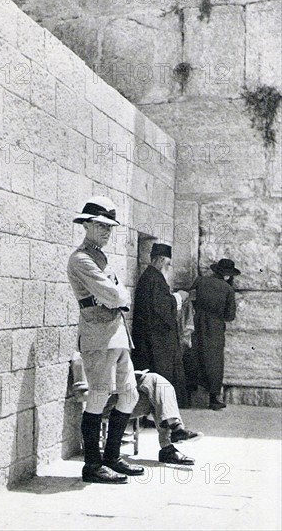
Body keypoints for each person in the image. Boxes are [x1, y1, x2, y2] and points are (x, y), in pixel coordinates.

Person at [67, 196, 144, 484]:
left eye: (109, 227)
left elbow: (117, 293)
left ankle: (112, 457)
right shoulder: (81, 259)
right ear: (86, 224)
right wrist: (116, 296)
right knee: (99, 395)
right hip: (98, 334)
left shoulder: (101, 257)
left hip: (117, 332)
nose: (106, 231)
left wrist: (116, 295)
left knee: (129, 395)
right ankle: (92, 465)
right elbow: (114, 295)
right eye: (100, 225)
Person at [73, 365, 203, 465]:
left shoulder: (113, 350)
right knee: (156, 393)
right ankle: (170, 441)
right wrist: (113, 386)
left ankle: (174, 432)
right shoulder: (84, 358)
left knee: (158, 384)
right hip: (105, 405)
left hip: (123, 398)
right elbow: (81, 395)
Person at [131, 243, 189, 407]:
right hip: (154, 342)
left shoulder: (151, 277)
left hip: (153, 339)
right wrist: (179, 297)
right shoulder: (153, 278)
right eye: (168, 264)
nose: (168, 268)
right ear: (161, 260)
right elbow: (160, 307)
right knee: (159, 377)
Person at [190, 258, 240, 410]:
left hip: (197, 323)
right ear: (228, 275)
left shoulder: (200, 281)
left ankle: (189, 395)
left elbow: (191, 300)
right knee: (214, 361)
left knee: (195, 356)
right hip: (215, 328)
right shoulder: (228, 289)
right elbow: (230, 316)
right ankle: (213, 399)